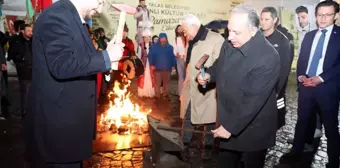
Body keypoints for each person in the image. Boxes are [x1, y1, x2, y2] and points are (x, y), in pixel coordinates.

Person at [26, 0, 125, 167]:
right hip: (60, 126)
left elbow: (78, 59)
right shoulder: (56, 17)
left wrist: (106, 57)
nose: (100, 7)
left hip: (69, 124)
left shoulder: (72, 18)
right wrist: (105, 58)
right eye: (100, 0)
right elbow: (61, 65)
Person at [197, 5, 280, 168]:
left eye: (237, 32)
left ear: (254, 30)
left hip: (252, 128)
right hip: (228, 119)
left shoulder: (268, 56)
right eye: (230, 30)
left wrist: (230, 127)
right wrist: (209, 75)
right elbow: (219, 64)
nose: (230, 37)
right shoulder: (230, 43)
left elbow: (253, 100)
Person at [282, 1, 340, 168]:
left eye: (327, 14)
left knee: (330, 127)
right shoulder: (309, 35)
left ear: (335, 15)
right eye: (319, 14)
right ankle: (295, 153)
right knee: (302, 121)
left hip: (327, 88)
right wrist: (301, 77)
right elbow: (303, 60)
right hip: (306, 86)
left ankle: (334, 161)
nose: (322, 18)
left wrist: (320, 78)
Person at [180, 14, 224, 160]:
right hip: (192, 87)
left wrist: (208, 76)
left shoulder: (216, 39)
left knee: (210, 120)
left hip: (208, 90)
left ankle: (208, 150)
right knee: (188, 117)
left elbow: (221, 64)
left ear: (194, 26)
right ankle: (183, 146)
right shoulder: (191, 40)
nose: (184, 34)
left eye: (185, 30)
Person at [260, 7, 292, 129]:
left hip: (275, 85)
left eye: (266, 19)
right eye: (261, 19)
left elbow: (284, 68)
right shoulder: (256, 37)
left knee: (277, 110)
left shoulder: (283, 41)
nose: (263, 22)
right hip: (258, 82)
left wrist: (277, 90)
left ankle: (277, 125)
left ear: (275, 20)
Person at [10, 24, 33, 119]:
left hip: (34, 70)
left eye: (31, 31)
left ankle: (32, 110)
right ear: (22, 31)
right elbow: (12, 55)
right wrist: (20, 63)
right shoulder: (17, 42)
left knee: (33, 91)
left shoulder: (33, 41)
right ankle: (24, 111)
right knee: (25, 91)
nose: (30, 33)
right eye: (28, 30)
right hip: (24, 71)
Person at [149, 33, 176, 101]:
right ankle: (157, 95)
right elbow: (151, 56)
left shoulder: (170, 47)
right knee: (157, 83)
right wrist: (151, 64)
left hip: (167, 69)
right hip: (157, 69)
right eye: (162, 38)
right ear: (159, 39)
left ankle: (165, 94)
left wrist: (173, 65)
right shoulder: (154, 47)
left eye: (164, 38)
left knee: (166, 83)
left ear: (166, 39)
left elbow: (173, 57)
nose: (163, 39)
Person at [137, 29, 155, 98]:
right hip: (143, 64)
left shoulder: (153, 45)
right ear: (143, 38)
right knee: (143, 77)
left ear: (150, 38)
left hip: (151, 64)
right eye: (145, 37)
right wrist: (140, 64)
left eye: (148, 37)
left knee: (151, 77)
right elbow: (139, 56)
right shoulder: (140, 45)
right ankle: (143, 92)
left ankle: (150, 92)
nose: (147, 39)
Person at [173, 25, 187, 96]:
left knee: (188, 76)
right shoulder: (176, 39)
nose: (180, 29)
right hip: (180, 60)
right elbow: (175, 50)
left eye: (181, 28)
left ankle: (187, 93)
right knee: (181, 76)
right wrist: (177, 54)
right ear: (176, 31)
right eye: (178, 29)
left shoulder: (187, 37)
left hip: (187, 60)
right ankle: (181, 93)